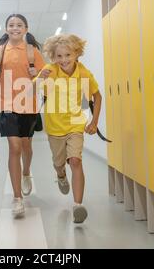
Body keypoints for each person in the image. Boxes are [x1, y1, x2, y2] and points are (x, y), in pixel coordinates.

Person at [34, 34, 102, 223]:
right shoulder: (50, 70)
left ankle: (78, 206)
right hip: (55, 126)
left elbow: (97, 96)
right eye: (59, 56)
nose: (63, 60)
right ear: (53, 57)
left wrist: (94, 122)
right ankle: (60, 174)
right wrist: (40, 78)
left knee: (76, 161)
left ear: (76, 53)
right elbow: (31, 91)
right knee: (59, 162)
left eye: (67, 55)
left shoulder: (83, 72)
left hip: (75, 124)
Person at [0, 14, 45, 218]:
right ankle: (17, 198)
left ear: (26, 29)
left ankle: (26, 171)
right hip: (6, 106)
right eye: (11, 25)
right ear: (6, 29)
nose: (15, 28)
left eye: (19, 25)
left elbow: (44, 76)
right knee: (15, 147)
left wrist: (38, 74)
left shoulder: (33, 52)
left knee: (26, 147)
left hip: (28, 106)